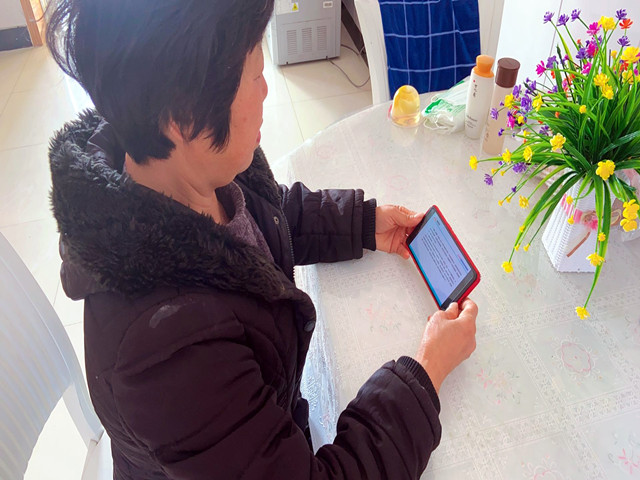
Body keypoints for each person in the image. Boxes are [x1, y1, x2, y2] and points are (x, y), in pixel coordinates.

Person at [46, 0, 478, 478]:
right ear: (184, 117)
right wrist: (425, 373)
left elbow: (265, 212)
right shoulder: (171, 354)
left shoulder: (179, 171)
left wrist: (361, 222)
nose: (267, 89)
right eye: (254, 74)